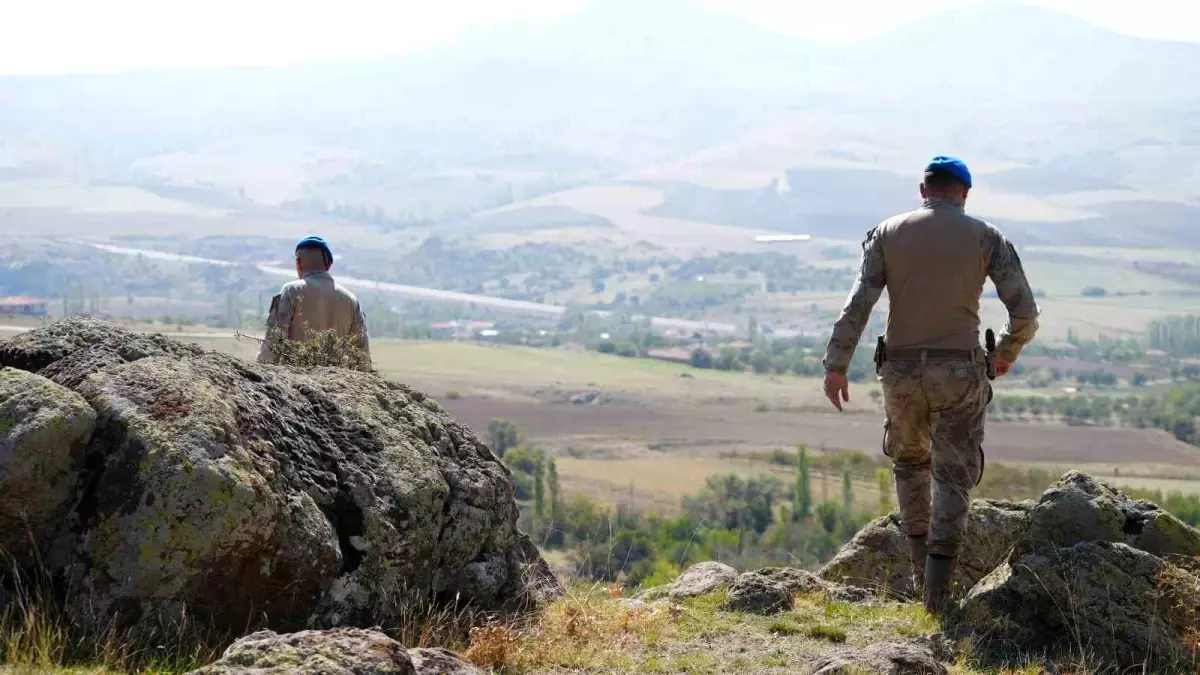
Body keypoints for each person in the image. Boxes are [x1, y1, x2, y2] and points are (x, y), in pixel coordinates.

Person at [820, 156, 1039, 612]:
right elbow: (1026, 314)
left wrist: (836, 363)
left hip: (898, 373)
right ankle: (938, 596)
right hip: (959, 373)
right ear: (963, 193)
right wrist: (1003, 356)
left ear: (923, 190)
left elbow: (859, 302)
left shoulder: (887, 233)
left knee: (909, 466)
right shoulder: (986, 237)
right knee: (953, 476)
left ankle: (920, 573)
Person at [257, 235, 372, 365]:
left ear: (298, 263)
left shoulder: (291, 291)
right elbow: (362, 356)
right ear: (329, 265)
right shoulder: (352, 301)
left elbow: (272, 344)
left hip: (294, 380)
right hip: (336, 382)